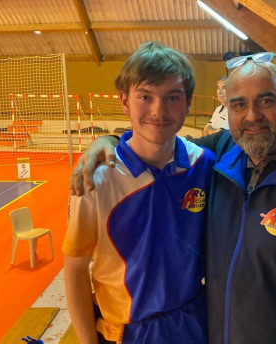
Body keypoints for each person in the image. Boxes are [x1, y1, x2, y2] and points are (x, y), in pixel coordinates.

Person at [70, 52, 276, 344]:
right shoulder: (222, 154)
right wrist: (109, 141)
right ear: (228, 110)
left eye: (266, 101)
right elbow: (158, 144)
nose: (252, 116)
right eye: (239, 104)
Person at [63, 41, 215, 344]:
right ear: (124, 101)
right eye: (145, 97)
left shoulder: (205, 165)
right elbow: (76, 269)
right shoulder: (97, 180)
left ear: (188, 103)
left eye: (172, 97)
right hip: (126, 333)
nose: (159, 110)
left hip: (192, 324)